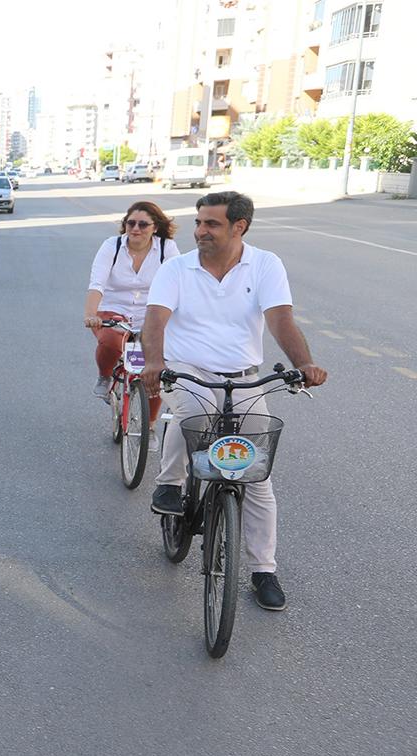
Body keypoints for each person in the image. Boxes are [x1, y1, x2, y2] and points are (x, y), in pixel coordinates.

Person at [142, 191, 328, 611]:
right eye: (199, 222)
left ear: (239, 227)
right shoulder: (177, 268)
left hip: (245, 380)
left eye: (212, 224)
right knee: (192, 415)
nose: (200, 231)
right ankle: (170, 485)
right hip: (188, 371)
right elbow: (155, 320)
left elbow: (280, 319)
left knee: (257, 478)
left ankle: (264, 570)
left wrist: (306, 364)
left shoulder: (265, 264)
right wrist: (154, 363)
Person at [84, 201, 180, 421]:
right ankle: (105, 375)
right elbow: (97, 284)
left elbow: (177, 285)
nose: (136, 229)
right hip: (113, 309)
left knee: (155, 366)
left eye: (143, 224)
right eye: (131, 223)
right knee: (109, 338)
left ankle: (150, 425)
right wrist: (91, 314)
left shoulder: (166, 248)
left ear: (155, 227)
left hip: (152, 314)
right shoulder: (112, 246)